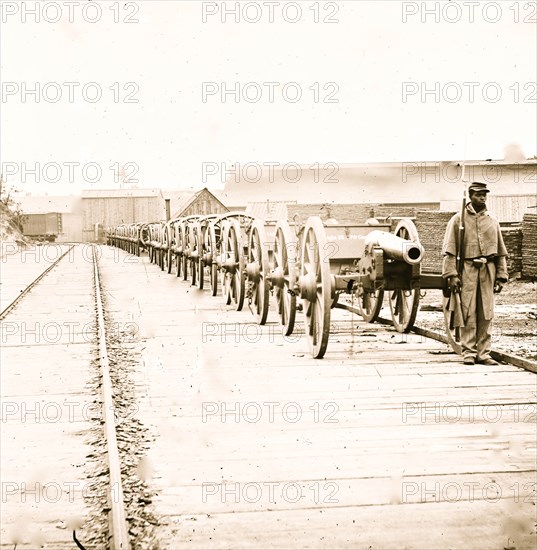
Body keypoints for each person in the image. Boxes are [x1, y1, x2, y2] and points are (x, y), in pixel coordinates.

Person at [442, 182, 508, 365]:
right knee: (468, 311)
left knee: (486, 312)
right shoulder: (458, 220)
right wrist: (452, 275)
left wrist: (501, 276)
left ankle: (484, 353)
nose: (482, 197)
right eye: (478, 194)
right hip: (467, 271)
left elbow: (501, 253)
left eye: (484, 194)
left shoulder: (493, 221)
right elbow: (450, 251)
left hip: (488, 270)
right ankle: (469, 352)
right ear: (470, 196)